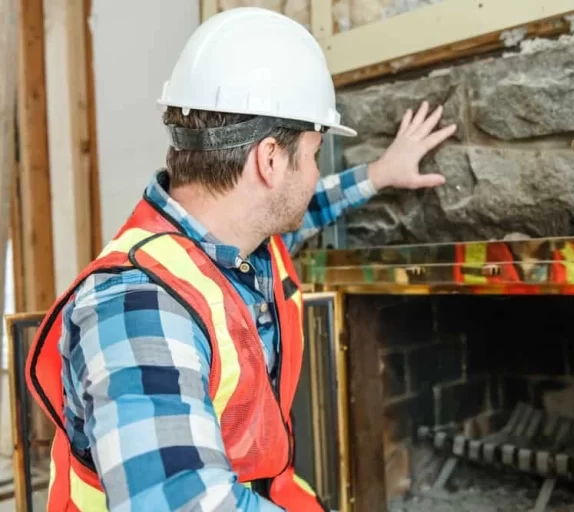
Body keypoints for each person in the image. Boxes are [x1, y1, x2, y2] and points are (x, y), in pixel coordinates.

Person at [25, 6, 455, 512]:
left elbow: (303, 206)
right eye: (315, 155)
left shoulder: (240, 247)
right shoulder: (139, 308)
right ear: (269, 160)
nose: (316, 174)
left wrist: (379, 174)